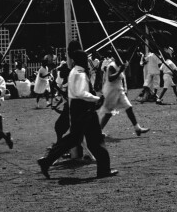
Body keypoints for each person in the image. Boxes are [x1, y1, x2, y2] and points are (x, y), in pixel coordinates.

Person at [38, 48, 118, 179]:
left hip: (76, 108)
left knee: (73, 138)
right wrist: (97, 99)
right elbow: (81, 93)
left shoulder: (74, 71)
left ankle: (47, 160)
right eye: (85, 59)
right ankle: (104, 170)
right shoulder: (80, 73)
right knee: (96, 140)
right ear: (81, 60)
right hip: (84, 109)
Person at [98, 53, 149, 137]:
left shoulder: (120, 65)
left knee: (129, 107)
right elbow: (110, 78)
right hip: (111, 92)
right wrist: (119, 71)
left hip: (119, 90)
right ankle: (98, 131)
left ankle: (137, 128)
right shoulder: (112, 66)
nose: (124, 61)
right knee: (108, 113)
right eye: (123, 59)